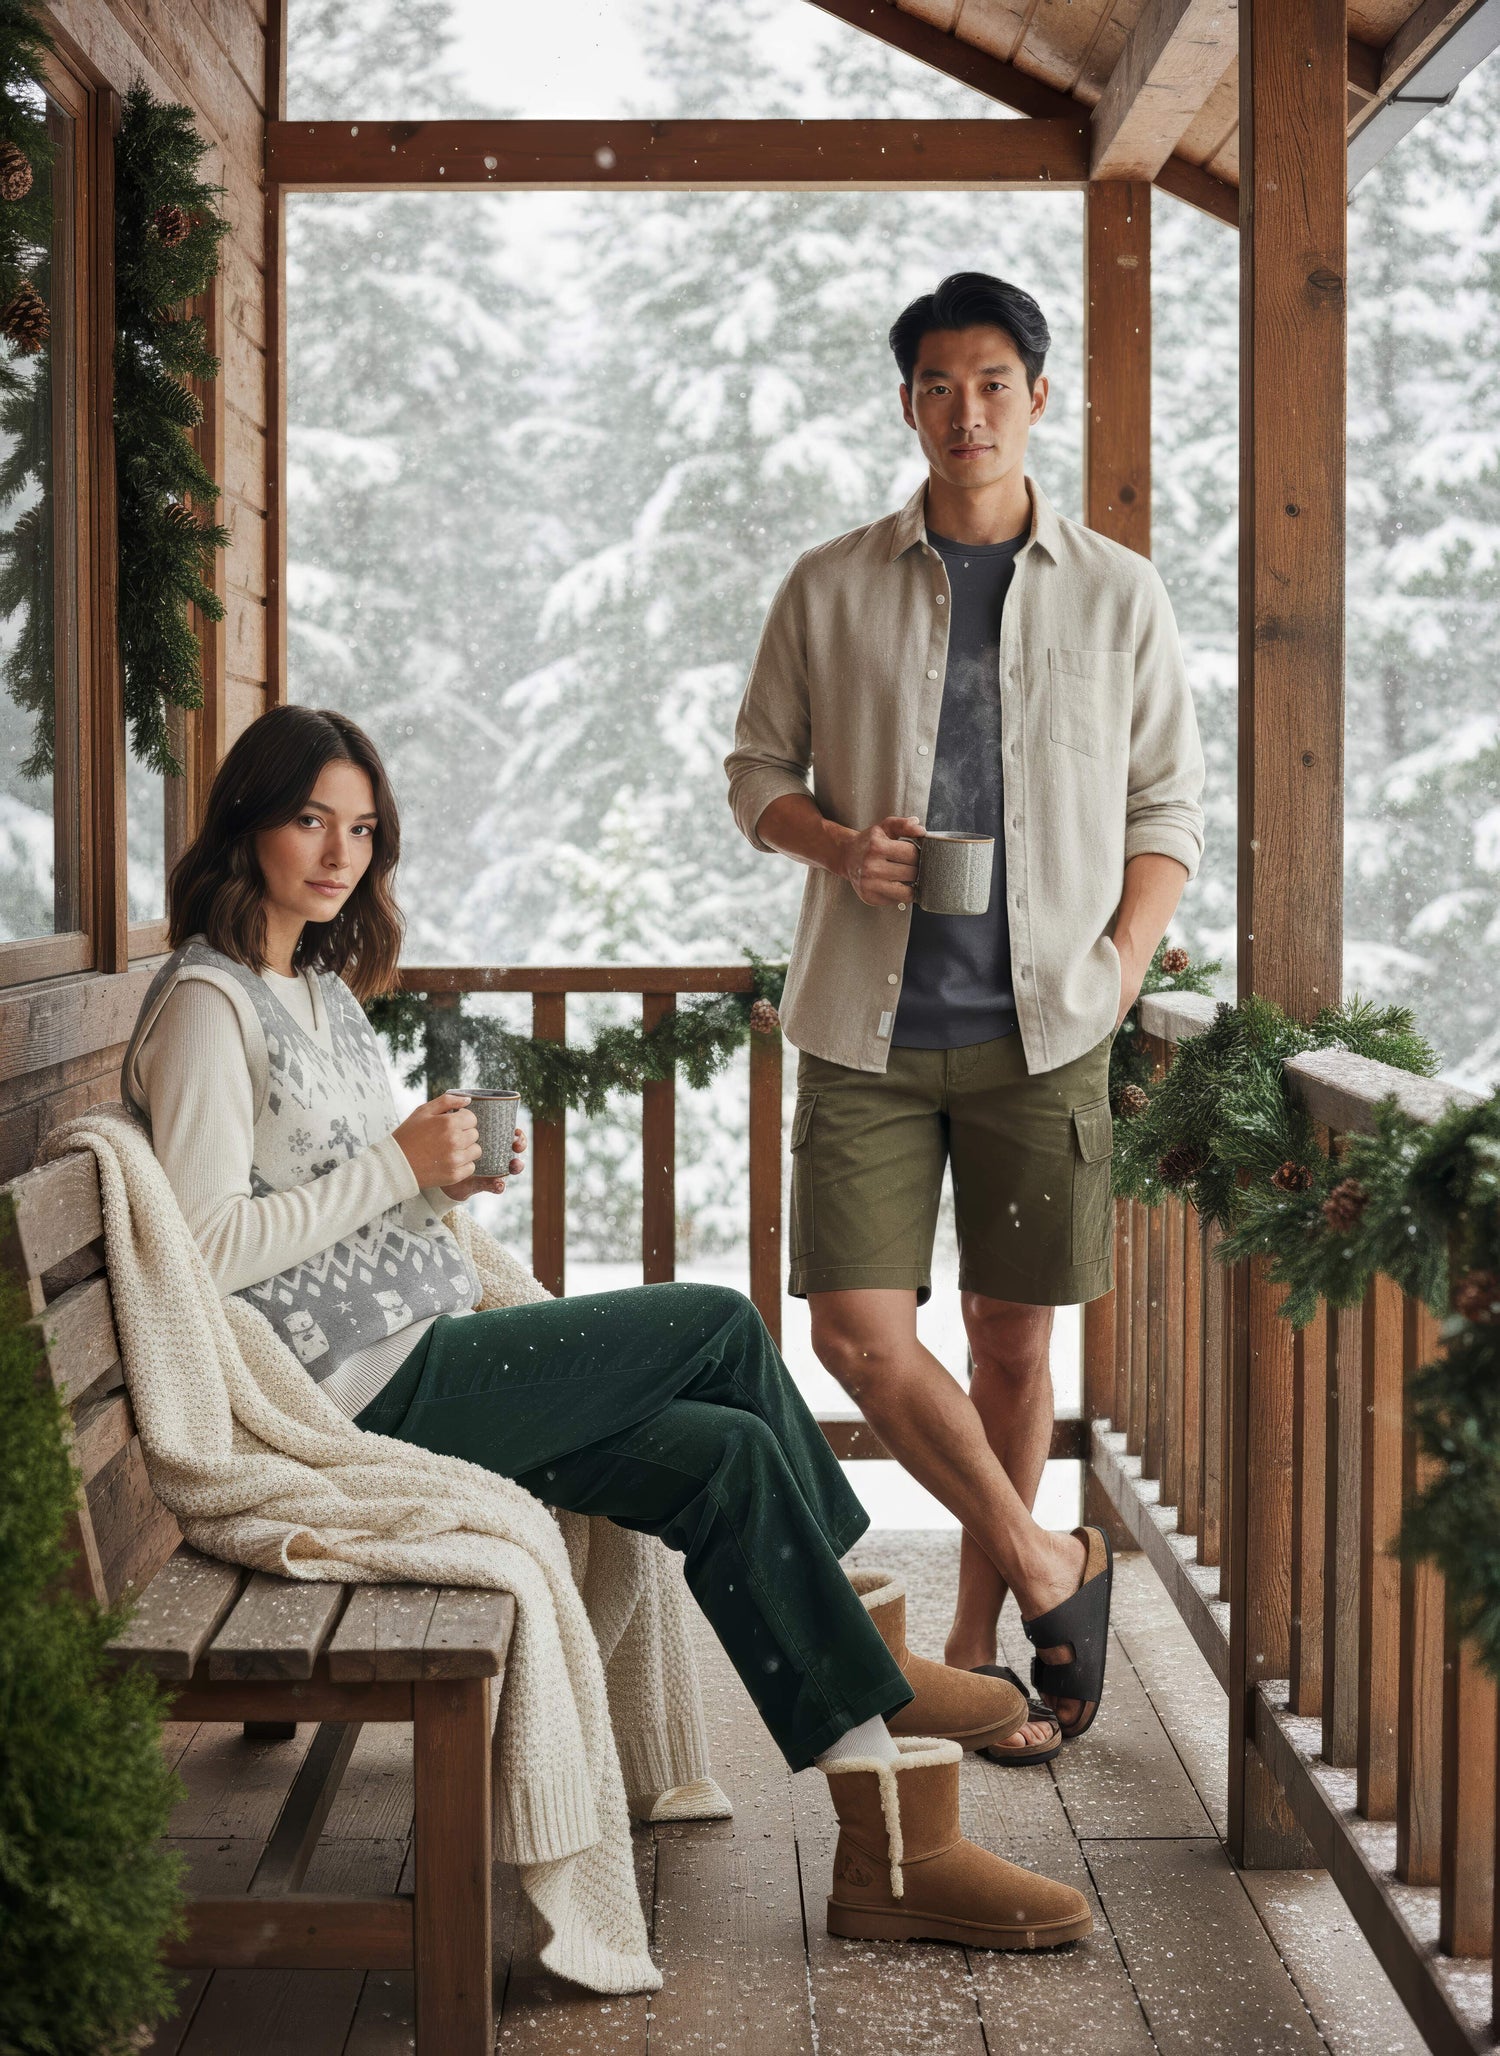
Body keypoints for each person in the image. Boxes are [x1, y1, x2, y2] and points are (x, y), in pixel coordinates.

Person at [120, 701, 1094, 1955]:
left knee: (730, 1462)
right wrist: (392, 1169)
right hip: (358, 1391)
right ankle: (870, 1635)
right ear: (246, 822)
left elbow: (321, 1196)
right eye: (309, 818)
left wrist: (428, 1178)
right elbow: (198, 1252)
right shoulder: (210, 1008)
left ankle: (889, 1853)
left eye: (361, 827)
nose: (338, 851)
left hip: (422, 1346)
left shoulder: (311, 987)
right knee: (717, 1324)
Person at [725, 270, 1206, 1747]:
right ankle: (1057, 1557)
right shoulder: (829, 582)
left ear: (1039, 397)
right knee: (853, 1334)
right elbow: (755, 776)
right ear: (907, 405)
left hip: (1043, 1036)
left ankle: (984, 1639)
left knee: (1012, 1346)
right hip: (866, 1028)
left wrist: (1118, 970)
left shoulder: (1119, 591)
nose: (967, 409)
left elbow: (1167, 806)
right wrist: (837, 845)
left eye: (994, 381)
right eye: (938, 384)